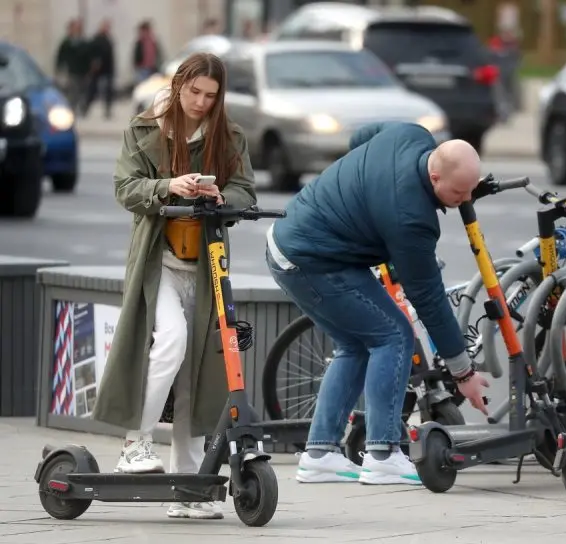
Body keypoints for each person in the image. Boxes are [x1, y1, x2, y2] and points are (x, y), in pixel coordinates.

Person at [266, 122, 491, 485]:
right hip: (312, 259)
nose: (465, 200)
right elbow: (429, 299)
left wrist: (357, 190)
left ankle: (320, 455)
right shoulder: (411, 218)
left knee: (356, 344)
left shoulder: (410, 135)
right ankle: (382, 454)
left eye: (471, 191)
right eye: (459, 192)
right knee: (394, 335)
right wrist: (462, 372)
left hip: (292, 242)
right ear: (434, 177)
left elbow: (360, 138)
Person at [92, 52, 257, 519]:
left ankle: (188, 488)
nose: (202, 102)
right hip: (156, 261)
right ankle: (134, 442)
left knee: (200, 371)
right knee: (171, 343)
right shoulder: (145, 129)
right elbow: (126, 188)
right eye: (194, 92)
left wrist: (221, 195)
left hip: (206, 266)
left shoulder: (231, 136)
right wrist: (169, 186)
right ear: (179, 85)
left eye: (211, 95)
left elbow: (247, 192)